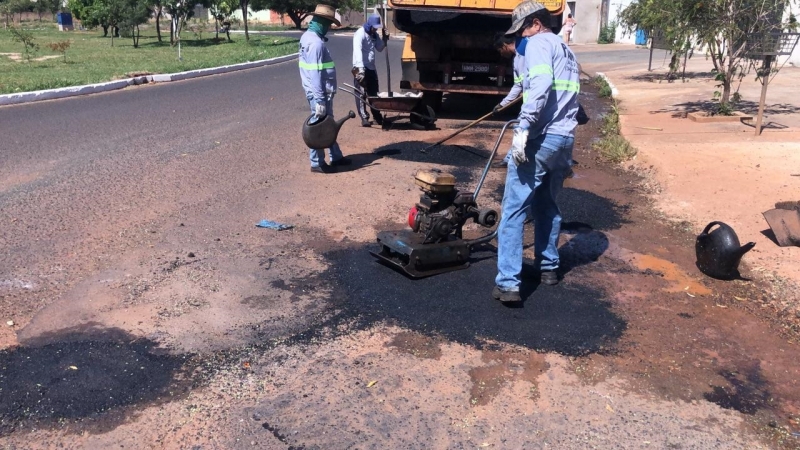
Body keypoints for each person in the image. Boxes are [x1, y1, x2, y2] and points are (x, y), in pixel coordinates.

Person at [492, 0, 580, 302]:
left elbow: (540, 85)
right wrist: (505, 104)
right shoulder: (566, 50)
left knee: (515, 209)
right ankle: (548, 267)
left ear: (537, 23)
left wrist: (522, 130)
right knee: (547, 205)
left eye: (523, 30)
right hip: (565, 141)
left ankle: (508, 283)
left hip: (542, 139)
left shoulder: (540, 42)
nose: (521, 38)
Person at [298, 4, 351, 173]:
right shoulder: (315, 44)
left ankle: (335, 156)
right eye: (327, 23)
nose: (328, 28)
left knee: (327, 124)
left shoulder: (307, 37)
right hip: (320, 93)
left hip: (319, 91)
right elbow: (314, 74)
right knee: (319, 127)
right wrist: (320, 99)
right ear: (321, 23)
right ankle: (317, 162)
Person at [491, 34, 525, 169]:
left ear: (504, 45)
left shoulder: (524, 54)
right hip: (531, 99)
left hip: (537, 99)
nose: (501, 54)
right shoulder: (517, 58)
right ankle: (509, 159)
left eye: (500, 50)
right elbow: (518, 85)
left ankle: (564, 165)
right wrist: (502, 105)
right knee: (521, 129)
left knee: (522, 129)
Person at [352, 13, 387, 127]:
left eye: (377, 27)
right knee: (361, 93)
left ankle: (377, 116)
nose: (376, 29)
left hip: (371, 68)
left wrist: (385, 39)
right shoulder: (360, 34)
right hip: (361, 67)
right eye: (375, 27)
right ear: (369, 24)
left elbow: (380, 48)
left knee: (374, 93)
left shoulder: (374, 35)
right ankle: (364, 117)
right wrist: (360, 69)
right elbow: (357, 51)